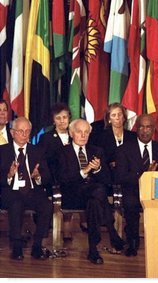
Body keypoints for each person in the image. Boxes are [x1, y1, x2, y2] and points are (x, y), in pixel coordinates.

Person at [58, 118, 125, 264]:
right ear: (71, 133)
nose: (83, 135)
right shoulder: (63, 152)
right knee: (98, 191)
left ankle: (93, 250)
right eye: (79, 132)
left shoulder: (97, 151)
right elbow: (64, 179)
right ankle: (111, 231)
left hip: (94, 196)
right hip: (73, 194)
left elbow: (107, 179)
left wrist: (99, 168)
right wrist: (86, 170)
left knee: (95, 201)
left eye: (86, 132)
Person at [0, 117, 53, 260]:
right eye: (20, 131)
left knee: (47, 205)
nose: (24, 134)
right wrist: (9, 175)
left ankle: (37, 246)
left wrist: (37, 177)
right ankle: (16, 247)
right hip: (10, 191)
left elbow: (47, 177)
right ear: (12, 133)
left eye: (27, 131)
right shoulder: (2, 151)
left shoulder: (38, 151)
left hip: (32, 191)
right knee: (16, 203)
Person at [115, 114, 158, 257]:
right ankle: (132, 243)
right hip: (133, 189)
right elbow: (120, 176)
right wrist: (144, 174)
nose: (145, 131)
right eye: (142, 127)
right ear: (136, 129)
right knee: (131, 203)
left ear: (154, 129)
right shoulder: (124, 149)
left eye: (149, 127)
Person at [38, 102, 87, 240]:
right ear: (53, 120)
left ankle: (69, 227)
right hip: (54, 177)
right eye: (58, 118)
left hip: (75, 176)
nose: (62, 121)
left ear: (69, 118)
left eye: (64, 117)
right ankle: (63, 228)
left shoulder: (76, 134)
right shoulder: (46, 137)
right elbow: (43, 161)